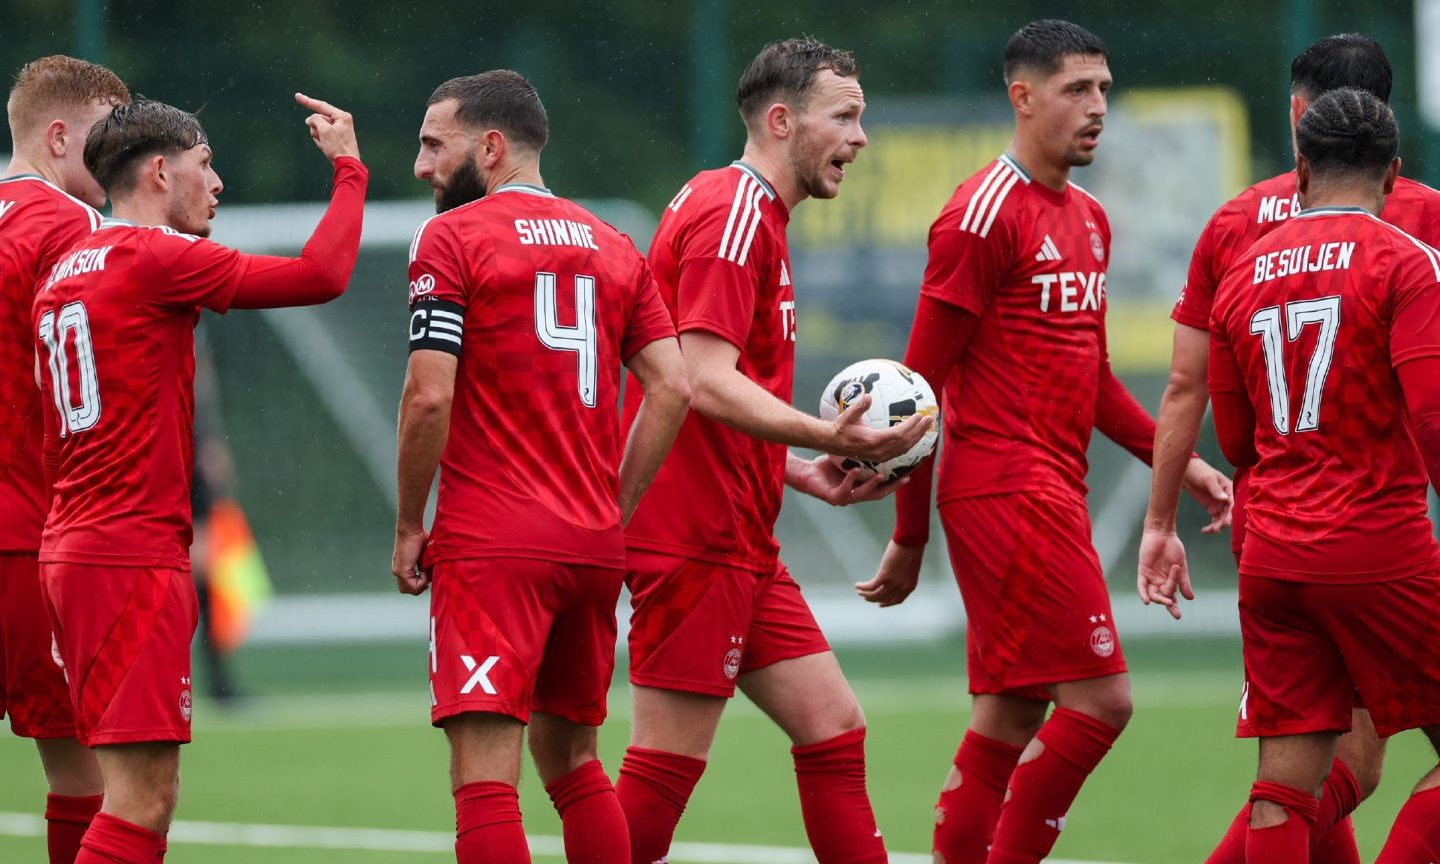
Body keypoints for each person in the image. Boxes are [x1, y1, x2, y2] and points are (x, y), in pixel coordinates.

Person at [861, 20, 1233, 864]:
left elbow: (1092, 378)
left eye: (1104, 88)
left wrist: (1184, 463)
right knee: (1102, 704)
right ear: (1021, 98)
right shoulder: (978, 216)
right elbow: (913, 396)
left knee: (1011, 714)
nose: (1098, 107)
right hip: (1005, 488)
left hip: (1046, 489)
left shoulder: (1091, 218)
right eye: (1077, 90)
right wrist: (909, 536)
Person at [614, 37, 930, 864]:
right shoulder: (733, 216)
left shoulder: (743, 208)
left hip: (739, 536)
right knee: (663, 768)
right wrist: (829, 433)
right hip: (692, 537)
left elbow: (709, 394)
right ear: (782, 120)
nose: (861, 137)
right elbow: (704, 380)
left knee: (833, 729)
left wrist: (798, 469)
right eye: (846, 116)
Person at [34, 94, 366, 864]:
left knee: (124, 791)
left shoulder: (66, 269)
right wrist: (349, 170)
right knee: (141, 799)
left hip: (78, 547)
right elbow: (322, 274)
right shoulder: (151, 257)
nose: (216, 184)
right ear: (159, 171)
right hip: (126, 557)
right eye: (205, 164)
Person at [1137, 34, 1440, 862]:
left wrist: (1164, 518)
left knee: (1292, 780)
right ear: (1393, 167)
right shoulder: (1412, 249)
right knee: (1358, 761)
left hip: (1271, 547)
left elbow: (1230, 434)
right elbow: (1434, 417)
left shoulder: (1245, 251)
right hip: (1378, 538)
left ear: (1299, 160)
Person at [392, 70, 690, 864]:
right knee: (575, 764)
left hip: (494, 545)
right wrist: (612, 508)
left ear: (491, 148)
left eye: (433, 144)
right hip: (591, 547)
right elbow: (674, 387)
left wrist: (407, 524)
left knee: (484, 778)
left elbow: (428, 397)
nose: (420, 166)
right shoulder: (614, 244)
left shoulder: (451, 239)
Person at [0, 54, 128, 864]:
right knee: (87, 772)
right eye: (105, 142)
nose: (118, 163)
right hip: (31, 535)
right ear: (58, 136)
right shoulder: (75, 232)